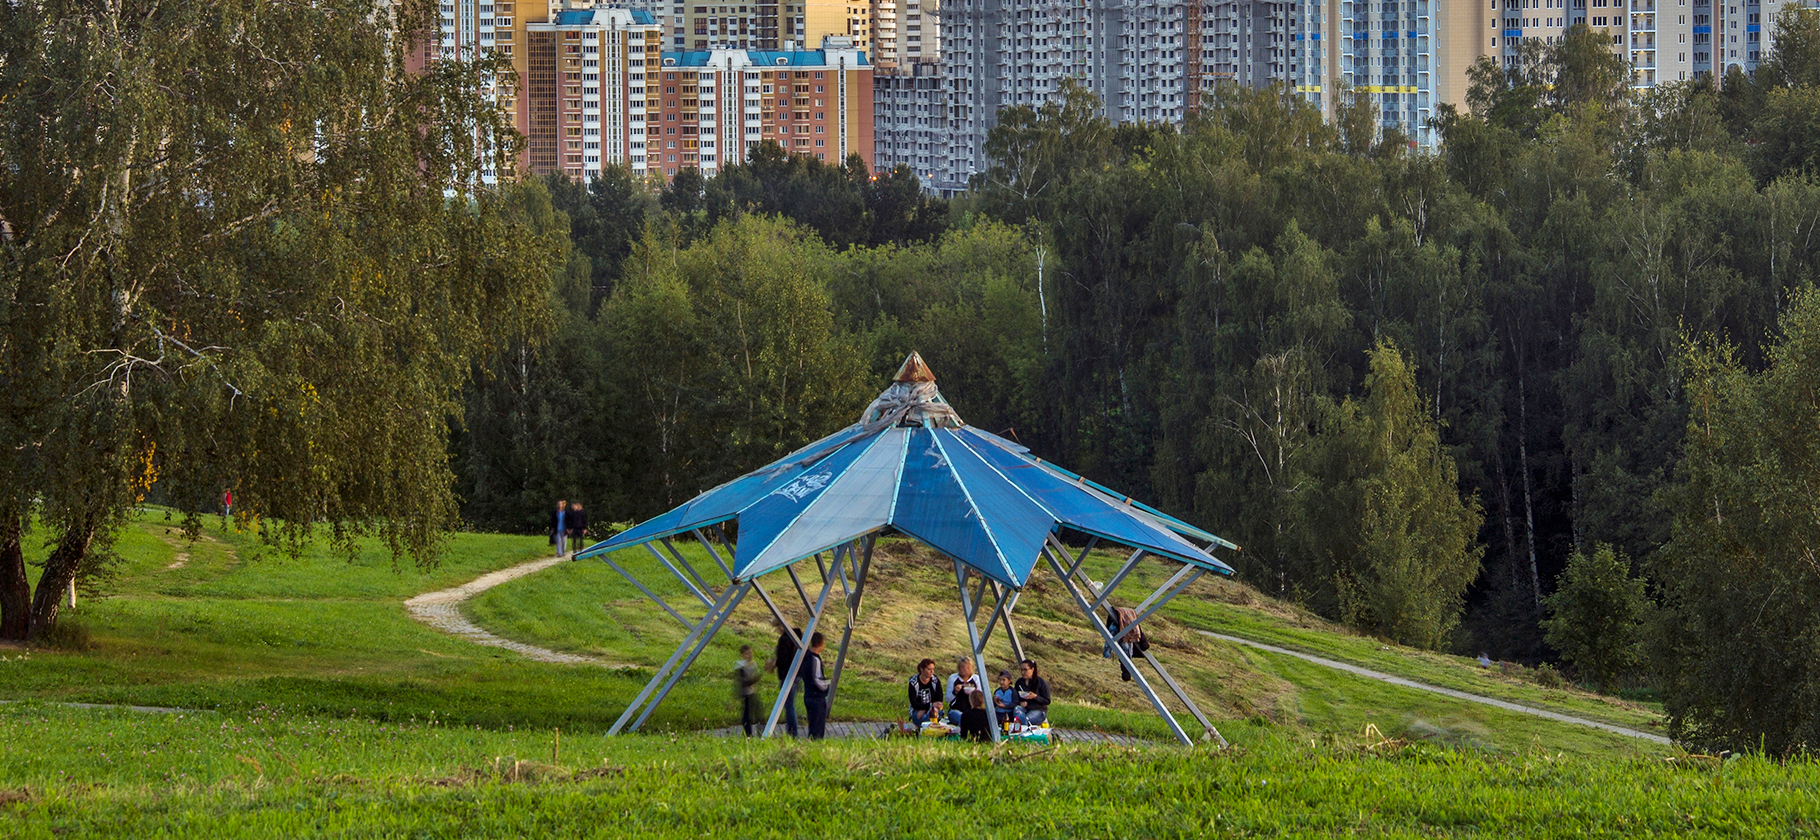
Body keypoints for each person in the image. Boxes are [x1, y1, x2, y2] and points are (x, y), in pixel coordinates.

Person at [765, 625, 803, 737]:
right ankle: (792, 731)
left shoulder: (784, 640)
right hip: (797, 674)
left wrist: (773, 664)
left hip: (787, 675)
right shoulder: (797, 637)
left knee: (789, 705)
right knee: (790, 704)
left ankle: (792, 733)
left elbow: (782, 659)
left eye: (777, 627)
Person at [800, 632, 831, 739]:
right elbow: (817, 680)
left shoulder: (805, 656)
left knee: (812, 724)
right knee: (818, 728)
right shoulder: (815, 659)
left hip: (808, 694)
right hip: (816, 697)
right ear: (821, 644)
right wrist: (827, 685)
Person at [944, 657, 987, 727]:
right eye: (962, 667)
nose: (965, 669)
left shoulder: (976, 679)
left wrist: (975, 693)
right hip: (956, 710)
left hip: (972, 710)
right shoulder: (953, 678)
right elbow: (947, 699)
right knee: (958, 716)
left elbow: (982, 698)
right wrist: (955, 692)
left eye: (968, 667)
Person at [734, 644, 764, 737]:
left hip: (753, 691)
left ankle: (760, 731)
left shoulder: (753, 664)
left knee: (758, 712)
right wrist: (756, 679)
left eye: (750, 653)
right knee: (747, 714)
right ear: (742, 655)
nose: (750, 655)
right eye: (747, 654)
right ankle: (748, 733)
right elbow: (743, 682)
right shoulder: (741, 666)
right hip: (746, 693)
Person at [1014, 659, 1052, 726]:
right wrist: (1020, 702)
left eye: (1025, 670)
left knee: (1027, 719)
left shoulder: (1041, 682)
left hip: (1038, 709)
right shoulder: (1019, 682)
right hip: (1025, 708)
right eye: (1021, 670)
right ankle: (1022, 728)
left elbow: (1047, 701)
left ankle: (1022, 729)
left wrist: (1035, 697)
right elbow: (1015, 696)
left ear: (1032, 669)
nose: (1023, 672)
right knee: (1017, 710)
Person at [906, 658, 942, 726]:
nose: (932, 672)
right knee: (918, 717)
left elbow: (939, 699)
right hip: (918, 709)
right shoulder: (913, 683)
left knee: (933, 714)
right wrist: (929, 706)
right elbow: (914, 703)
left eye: (933, 669)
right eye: (929, 669)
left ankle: (926, 725)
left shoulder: (935, 680)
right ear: (922, 669)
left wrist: (930, 708)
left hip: (934, 709)